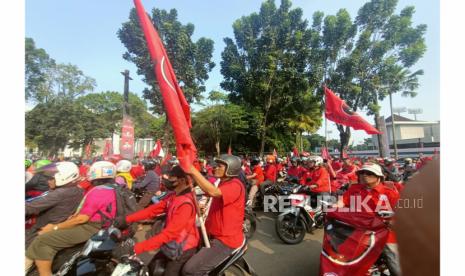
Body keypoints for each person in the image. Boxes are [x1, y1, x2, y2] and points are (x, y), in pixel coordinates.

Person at [25, 161, 118, 276]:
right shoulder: (107, 188)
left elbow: (82, 219)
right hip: (101, 225)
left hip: (89, 226)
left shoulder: (96, 191)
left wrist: (54, 228)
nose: (48, 180)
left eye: (52, 178)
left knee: (42, 241)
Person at [113, 165, 199, 275]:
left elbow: (170, 233)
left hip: (182, 248)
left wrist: (136, 248)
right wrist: (126, 219)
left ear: (182, 180)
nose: (166, 179)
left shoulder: (186, 203)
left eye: (171, 177)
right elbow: (152, 210)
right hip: (171, 244)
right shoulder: (174, 196)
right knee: (152, 267)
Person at [183, 154, 245, 276]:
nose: (214, 168)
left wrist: (192, 170)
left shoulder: (236, 185)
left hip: (226, 241)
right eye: (215, 165)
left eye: (219, 166)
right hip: (210, 233)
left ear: (230, 168)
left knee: (189, 270)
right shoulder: (222, 183)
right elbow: (208, 192)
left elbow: (213, 192)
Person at [338, 163, 401, 276]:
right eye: (362, 173)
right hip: (357, 229)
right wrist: (333, 208)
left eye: (369, 173)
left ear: (379, 177)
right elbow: (342, 201)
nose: (364, 175)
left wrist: (393, 221)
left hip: (384, 232)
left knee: (394, 261)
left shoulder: (389, 192)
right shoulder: (355, 189)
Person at [25, 162, 84, 247]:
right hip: (57, 226)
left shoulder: (60, 193)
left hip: (42, 228)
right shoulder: (77, 189)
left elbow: (30, 207)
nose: (48, 181)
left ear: (63, 178)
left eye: (51, 178)